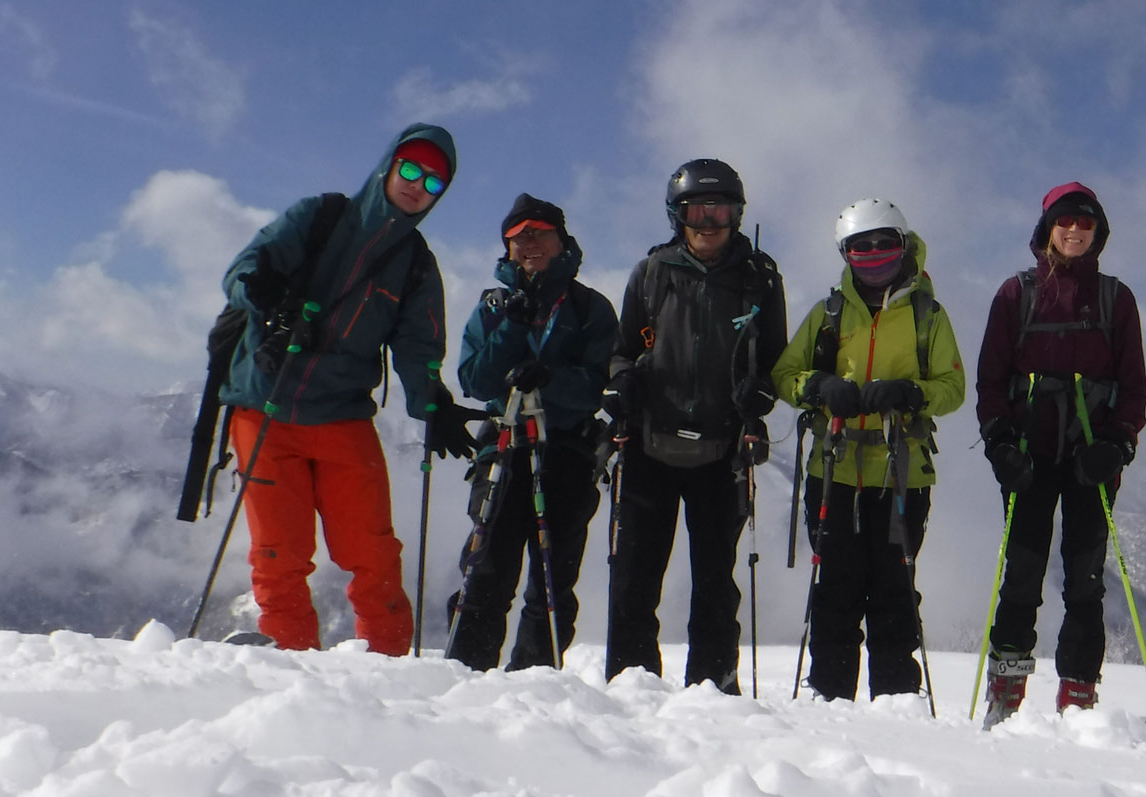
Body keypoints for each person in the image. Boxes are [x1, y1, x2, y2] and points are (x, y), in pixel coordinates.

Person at [217, 124, 472, 653]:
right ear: (387, 165)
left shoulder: (415, 263)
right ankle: (290, 668)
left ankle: (386, 673)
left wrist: (433, 404)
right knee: (277, 555)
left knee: (373, 553)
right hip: (264, 402)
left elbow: (418, 346)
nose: (417, 184)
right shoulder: (319, 217)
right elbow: (244, 269)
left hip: (341, 414)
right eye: (409, 168)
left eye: (433, 181)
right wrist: (258, 292)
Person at [603, 160, 787, 689]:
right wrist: (621, 383)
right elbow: (624, 349)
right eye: (696, 210)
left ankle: (713, 687)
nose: (709, 222)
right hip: (647, 442)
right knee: (636, 574)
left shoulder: (760, 279)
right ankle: (631, 687)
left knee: (713, 581)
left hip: (723, 449)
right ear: (675, 215)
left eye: (721, 210)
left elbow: (775, 360)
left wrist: (761, 396)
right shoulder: (652, 273)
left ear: (737, 215)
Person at [772, 198, 965, 702]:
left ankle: (895, 700)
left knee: (894, 590)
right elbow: (784, 375)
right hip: (833, 469)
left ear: (904, 245)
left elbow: (953, 387)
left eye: (885, 243)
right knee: (834, 587)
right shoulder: (829, 313)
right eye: (862, 246)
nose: (874, 254)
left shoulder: (929, 316)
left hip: (901, 472)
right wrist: (818, 386)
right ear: (846, 252)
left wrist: (912, 393)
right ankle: (830, 695)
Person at [973, 183, 1146, 724]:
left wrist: (1119, 445)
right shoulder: (1015, 294)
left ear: (1099, 232)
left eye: (1086, 223)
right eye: (1065, 221)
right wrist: (999, 442)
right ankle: (1008, 691)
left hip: (1090, 457)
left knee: (1085, 578)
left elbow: (1134, 383)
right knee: (1022, 572)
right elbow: (991, 378)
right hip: (1027, 452)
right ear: (1047, 227)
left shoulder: (1116, 299)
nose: (1074, 231)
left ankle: (1078, 693)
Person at [448, 194, 618, 670]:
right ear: (508, 248)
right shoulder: (493, 307)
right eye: (520, 237)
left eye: (541, 233)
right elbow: (475, 380)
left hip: (566, 450)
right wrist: (511, 329)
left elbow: (597, 383)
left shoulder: (589, 308)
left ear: (561, 241)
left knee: (552, 580)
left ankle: (535, 681)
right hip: (503, 448)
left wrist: (549, 377)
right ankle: (467, 675)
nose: (531, 244)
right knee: (485, 572)